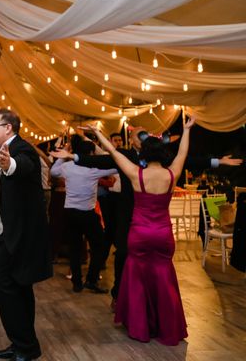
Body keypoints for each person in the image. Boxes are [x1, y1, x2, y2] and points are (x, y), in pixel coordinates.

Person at [84, 118, 196, 345]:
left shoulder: (136, 173)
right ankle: (166, 327)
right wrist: (186, 130)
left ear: (145, 151)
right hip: (163, 234)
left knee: (137, 278)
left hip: (140, 234)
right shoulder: (172, 174)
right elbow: (183, 153)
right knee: (164, 278)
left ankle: (140, 326)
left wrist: (98, 133)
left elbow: (113, 152)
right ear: (164, 153)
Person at [0, 108, 52, 361]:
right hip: (11, 232)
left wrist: (9, 164)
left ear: (8, 128)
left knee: (3, 284)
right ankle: (24, 344)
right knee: (19, 287)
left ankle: (25, 345)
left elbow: (22, 166)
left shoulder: (23, 150)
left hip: (22, 236)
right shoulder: (0, 150)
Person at [50, 135, 118, 294]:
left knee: (75, 248)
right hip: (87, 214)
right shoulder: (94, 169)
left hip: (69, 212)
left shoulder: (68, 167)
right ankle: (92, 280)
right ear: (91, 154)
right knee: (99, 246)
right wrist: (100, 153)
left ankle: (77, 283)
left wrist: (65, 154)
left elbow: (53, 171)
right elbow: (116, 165)